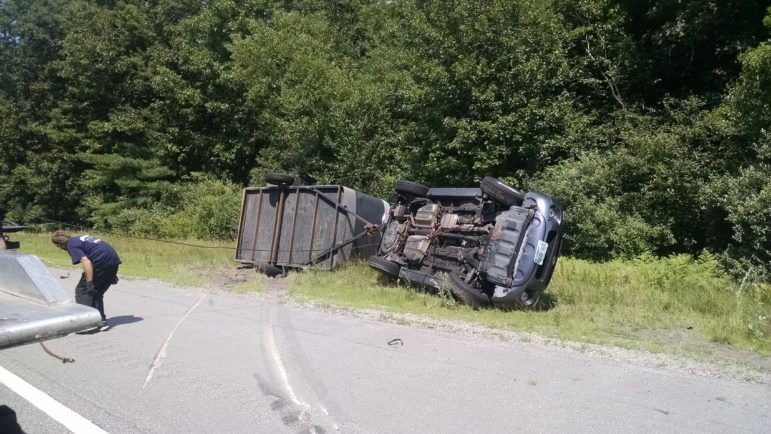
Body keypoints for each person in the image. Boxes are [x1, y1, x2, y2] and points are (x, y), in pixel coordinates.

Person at [51, 230, 121, 330]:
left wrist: (89, 282)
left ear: (60, 244)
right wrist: (110, 272)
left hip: (101, 262)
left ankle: (86, 323)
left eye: (59, 247)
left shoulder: (71, 245)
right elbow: (104, 250)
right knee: (96, 293)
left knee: (82, 291)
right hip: (113, 261)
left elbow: (85, 261)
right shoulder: (79, 239)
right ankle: (100, 321)